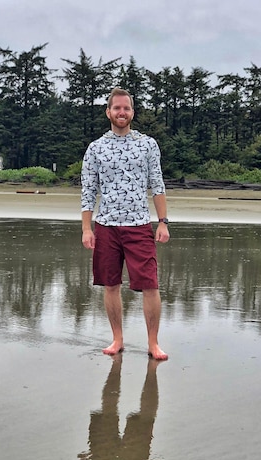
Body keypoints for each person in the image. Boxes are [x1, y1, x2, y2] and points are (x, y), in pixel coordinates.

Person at [81, 87, 170, 360]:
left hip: (139, 225)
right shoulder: (96, 148)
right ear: (108, 112)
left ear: (132, 112)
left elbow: (157, 186)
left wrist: (163, 222)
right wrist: (87, 228)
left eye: (126, 108)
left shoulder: (147, 144)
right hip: (106, 227)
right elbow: (88, 191)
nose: (122, 112)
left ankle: (153, 343)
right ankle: (117, 339)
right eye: (117, 108)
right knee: (111, 284)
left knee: (150, 285)